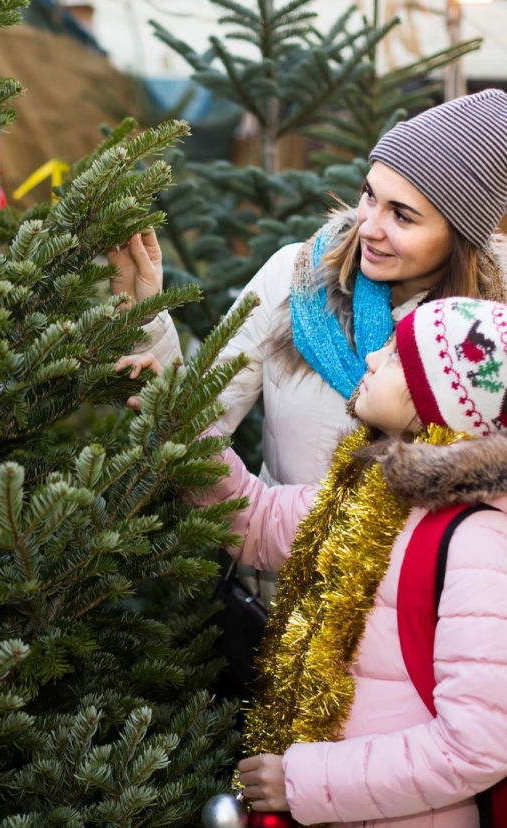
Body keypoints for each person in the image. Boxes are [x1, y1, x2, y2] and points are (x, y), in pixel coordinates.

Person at [116, 88, 507, 604]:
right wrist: (146, 317)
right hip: (277, 604)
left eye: (403, 215)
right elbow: (200, 417)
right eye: (370, 195)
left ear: (458, 234)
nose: (369, 226)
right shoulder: (297, 279)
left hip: (418, 623)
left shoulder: (486, 348)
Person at [188, 295, 507, 826]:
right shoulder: (365, 492)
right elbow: (257, 519)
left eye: (399, 356)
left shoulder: (479, 542)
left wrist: (307, 781)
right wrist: (179, 418)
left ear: (440, 401)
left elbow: (478, 744)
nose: (374, 360)